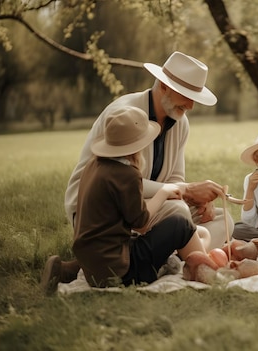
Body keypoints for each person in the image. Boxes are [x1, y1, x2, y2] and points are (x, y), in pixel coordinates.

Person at [41, 51, 232, 293]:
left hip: (141, 208)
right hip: (103, 212)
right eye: (187, 96)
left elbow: (175, 178)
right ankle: (193, 263)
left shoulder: (180, 121)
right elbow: (118, 180)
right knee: (179, 214)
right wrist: (182, 192)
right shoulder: (123, 116)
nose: (191, 106)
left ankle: (90, 265)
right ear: (164, 86)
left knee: (223, 221)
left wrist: (196, 198)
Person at [72, 106, 209, 288]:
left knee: (196, 232)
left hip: (95, 267)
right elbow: (141, 223)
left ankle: (191, 260)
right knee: (180, 225)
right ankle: (207, 272)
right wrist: (164, 192)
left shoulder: (94, 166)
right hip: (121, 271)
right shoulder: (126, 175)